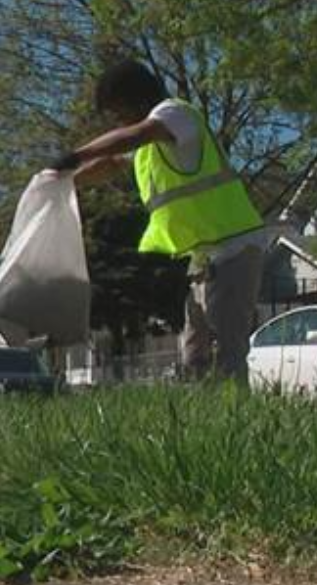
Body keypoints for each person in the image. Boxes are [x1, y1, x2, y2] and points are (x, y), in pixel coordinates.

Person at [49, 60, 270, 384]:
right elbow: (111, 162)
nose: (118, 120)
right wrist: (67, 182)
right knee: (194, 352)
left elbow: (135, 135)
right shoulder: (151, 144)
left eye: (118, 111)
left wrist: (75, 155)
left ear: (135, 99)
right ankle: (207, 421)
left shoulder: (174, 115)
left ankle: (237, 419)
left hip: (235, 243)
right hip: (204, 253)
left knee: (228, 346)